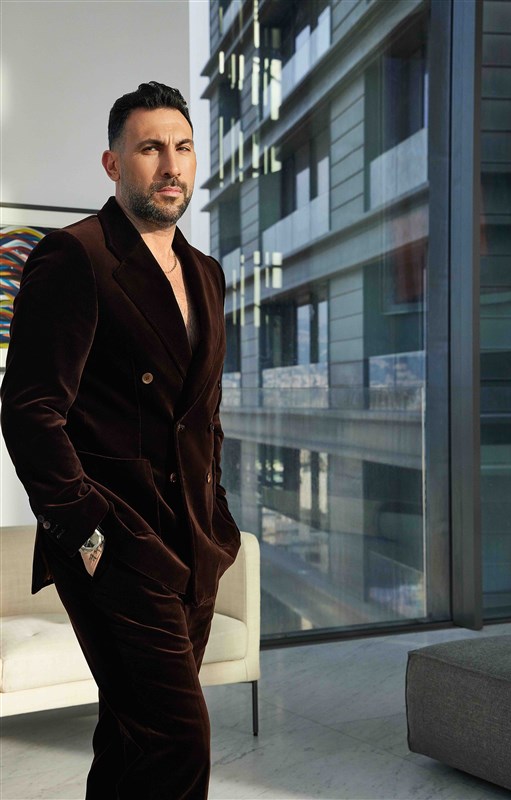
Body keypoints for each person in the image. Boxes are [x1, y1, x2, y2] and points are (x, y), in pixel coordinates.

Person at [1, 81, 241, 800]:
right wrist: (88, 531)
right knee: (179, 743)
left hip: (194, 544)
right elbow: (31, 411)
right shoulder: (74, 257)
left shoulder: (207, 274)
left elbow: (203, 416)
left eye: (183, 147)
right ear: (113, 164)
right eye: (150, 148)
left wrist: (218, 517)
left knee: (133, 740)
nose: (171, 165)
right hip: (117, 543)